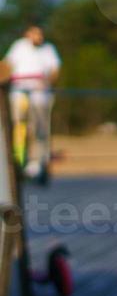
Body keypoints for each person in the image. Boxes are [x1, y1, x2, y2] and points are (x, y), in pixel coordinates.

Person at [4, 24, 61, 184]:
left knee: (40, 130)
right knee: (19, 127)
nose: (39, 37)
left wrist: (46, 82)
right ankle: (18, 162)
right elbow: (7, 65)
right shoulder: (19, 47)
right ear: (27, 34)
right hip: (19, 93)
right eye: (35, 34)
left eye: (40, 34)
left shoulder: (48, 49)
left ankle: (39, 165)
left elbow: (55, 70)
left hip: (39, 95)